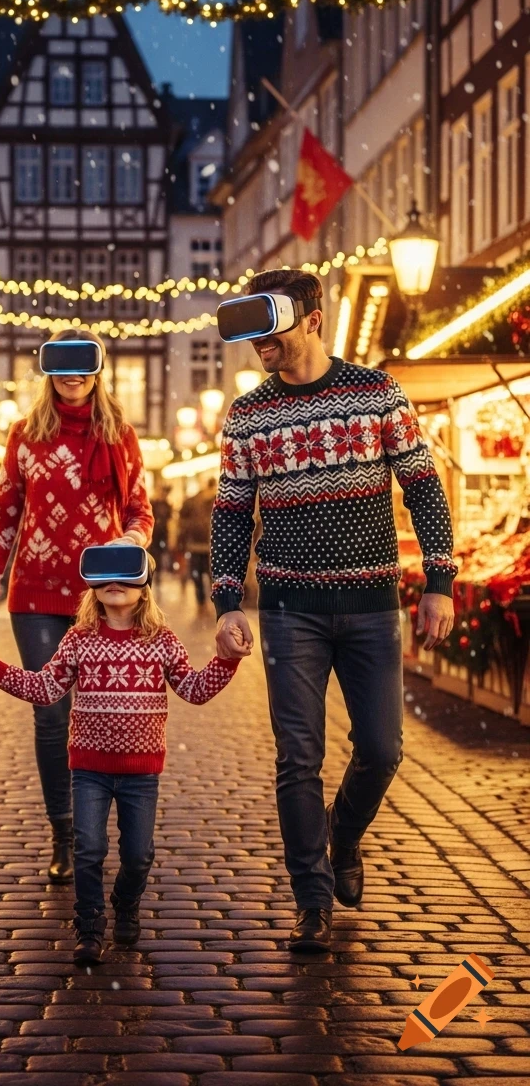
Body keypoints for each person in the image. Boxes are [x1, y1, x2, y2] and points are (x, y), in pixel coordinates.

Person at [211, 268, 456, 954]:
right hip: (290, 609)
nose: (260, 340)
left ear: (312, 319)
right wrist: (228, 600)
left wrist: (440, 580)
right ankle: (311, 902)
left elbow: (424, 489)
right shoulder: (249, 414)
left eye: (272, 324)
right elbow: (231, 515)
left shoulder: (376, 392)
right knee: (298, 758)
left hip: (374, 606)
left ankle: (343, 834)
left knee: (382, 749)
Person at [0, 551, 244, 962]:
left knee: (138, 854)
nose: (116, 584)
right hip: (89, 770)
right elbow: (44, 688)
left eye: (127, 577)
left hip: (141, 774)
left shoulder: (162, 641)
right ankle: (90, 924)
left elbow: (194, 688)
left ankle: (126, 901)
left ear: (144, 586)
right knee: (88, 848)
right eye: (105, 577)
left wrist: (227, 661)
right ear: (92, 586)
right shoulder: (79, 639)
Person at [0, 328, 154, 885]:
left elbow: (139, 510)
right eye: (62, 364)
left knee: (101, 711)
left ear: (98, 369)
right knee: (51, 712)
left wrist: (132, 542)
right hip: (34, 594)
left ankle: (105, 822)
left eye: (84, 364)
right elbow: (4, 512)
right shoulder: (25, 434)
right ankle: (66, 830)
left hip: (100, 597)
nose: (73, 375)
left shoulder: (119, 435)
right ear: (47, 369)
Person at [178, 477, 217, 606]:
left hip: (209, 545)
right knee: (199, 574)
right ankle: (202, 601)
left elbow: (182, 522)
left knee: (207, 574)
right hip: (198, 545)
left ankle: (211, 600)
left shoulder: (215, 501)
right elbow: (183, 522)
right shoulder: (193, 502)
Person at [150, 485, 173, 580]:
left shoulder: (167, 505)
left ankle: (158, 573)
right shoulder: (153, 503)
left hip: (162, 534)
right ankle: (154, 572)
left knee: (160, 553)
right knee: (153, 553)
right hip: (153, 533)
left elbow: (169, 520)